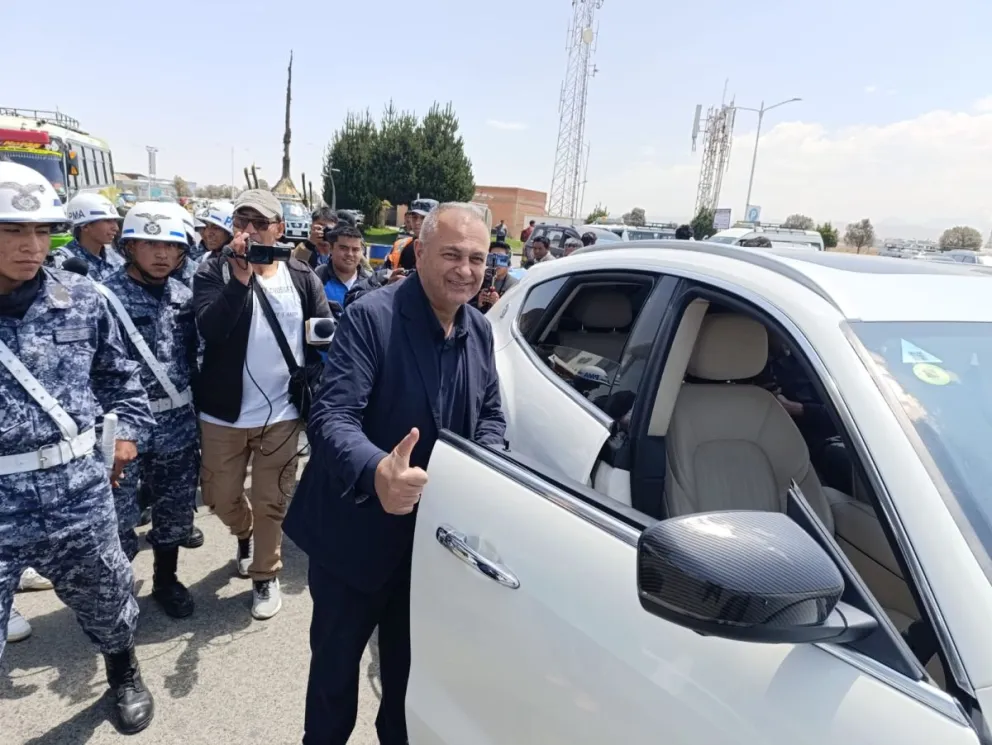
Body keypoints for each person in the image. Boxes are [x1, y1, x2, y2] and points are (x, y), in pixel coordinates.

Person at [285, 202, 506, 745]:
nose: (465, 269)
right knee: (335, 681)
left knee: (408, 687)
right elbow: (332, 415)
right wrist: (377, 470)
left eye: (477, 258)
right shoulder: (372, 317)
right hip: (354, 538)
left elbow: (493, 415)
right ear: (420, 251)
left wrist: (484, 465)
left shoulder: (478, 328)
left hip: (430, 549)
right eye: (452, 254)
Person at [0, 162, 156, 733]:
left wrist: (128, 437)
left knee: (108, 595)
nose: (31, 245)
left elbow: (120, 377)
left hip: (77, 492)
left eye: (42, 231)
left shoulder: (82, 299)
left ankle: (125, 675)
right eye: (13, 231)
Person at [193, 189, 330, 620]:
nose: (249, 231)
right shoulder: (213, 270)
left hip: (283, 412)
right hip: (224, 412)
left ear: (278, 229)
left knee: (271, 497)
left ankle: (265, 574)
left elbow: (320, 335)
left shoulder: (302, 275)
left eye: (259, 223)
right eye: (242, 222)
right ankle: (243, 531)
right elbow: (211, 331)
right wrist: (239, 280)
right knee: (220, 496)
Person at [100, 205, 200, 618]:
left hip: (177, 421)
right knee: (119, 516)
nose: (161, 254)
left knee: (174, 508)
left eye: (171, 246)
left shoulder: (184, 297)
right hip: (126, 429)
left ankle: (166, 580)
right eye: (151, 243)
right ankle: (118, 590)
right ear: (129, 247)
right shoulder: (103, 297)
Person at [49, 192, 124, 280]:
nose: (116, 228)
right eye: (107, 221)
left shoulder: (116, 256)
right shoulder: (60, 261)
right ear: (85, 226)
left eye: (115, 221)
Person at [314, 224, 372, 308]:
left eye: (355, 249)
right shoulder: (317, 278)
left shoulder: (371, 282)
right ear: (331, 249)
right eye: (343, 248)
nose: (349, 254)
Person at [386, 198, 437, 270]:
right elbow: (385, 270)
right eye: (414, 217)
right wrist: (390, 279)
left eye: (423, 218)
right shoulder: (400, 245)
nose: (417, 222)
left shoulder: (442, 249)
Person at [473, 240, 518, 314]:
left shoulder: (514, 286)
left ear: (508, 262)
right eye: (493, 257)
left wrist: (498, 305)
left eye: (500, 258)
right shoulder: (478, 280)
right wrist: (478, 304)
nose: (496, 262)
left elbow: (514, 314)